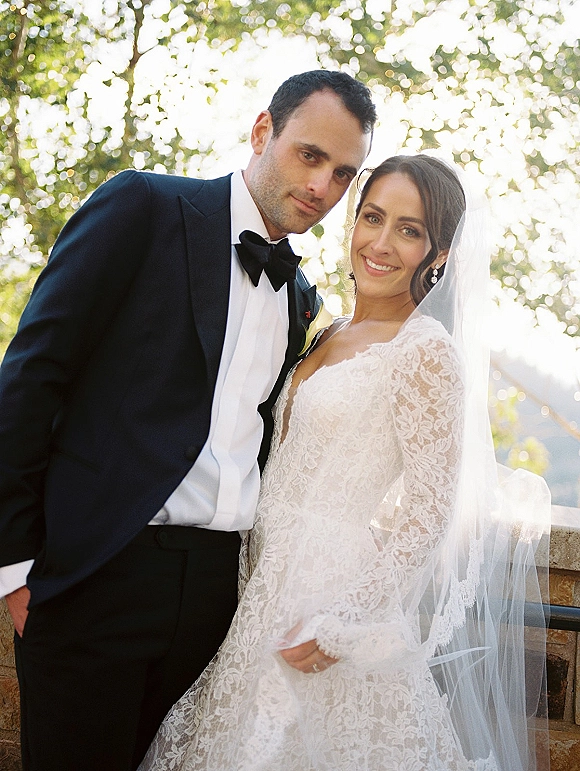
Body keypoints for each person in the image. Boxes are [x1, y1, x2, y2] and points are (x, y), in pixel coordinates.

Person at [0, 70, 376, 771]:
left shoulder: (297, 297)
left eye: (344, 172)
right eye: (310, 155)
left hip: (216, 600)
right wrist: (17, 568)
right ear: (263, 131)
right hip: (98, 576)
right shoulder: (142, 205)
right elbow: (31, 375)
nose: (323, 186)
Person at [140, 155, 551, 771]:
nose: (381, 243)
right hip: (260, 585)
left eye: (409, 231)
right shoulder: (329, 330)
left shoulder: (424, 352)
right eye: (373, 217)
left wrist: (342, 625)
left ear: (437, 255)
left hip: (325, 598)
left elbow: (428, 511)